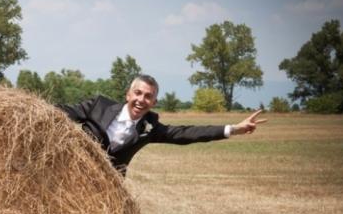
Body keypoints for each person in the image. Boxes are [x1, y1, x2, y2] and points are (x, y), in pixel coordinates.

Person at [58, 74, 267, 175]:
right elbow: (62, 113)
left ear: (154, 102)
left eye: (148, 97)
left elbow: (187, 133)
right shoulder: (98, 106)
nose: (141, 100)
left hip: (108, 182)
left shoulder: (150, 126)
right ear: (128, 94)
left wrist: (233, 129)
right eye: (138, 93)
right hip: (73, 173)